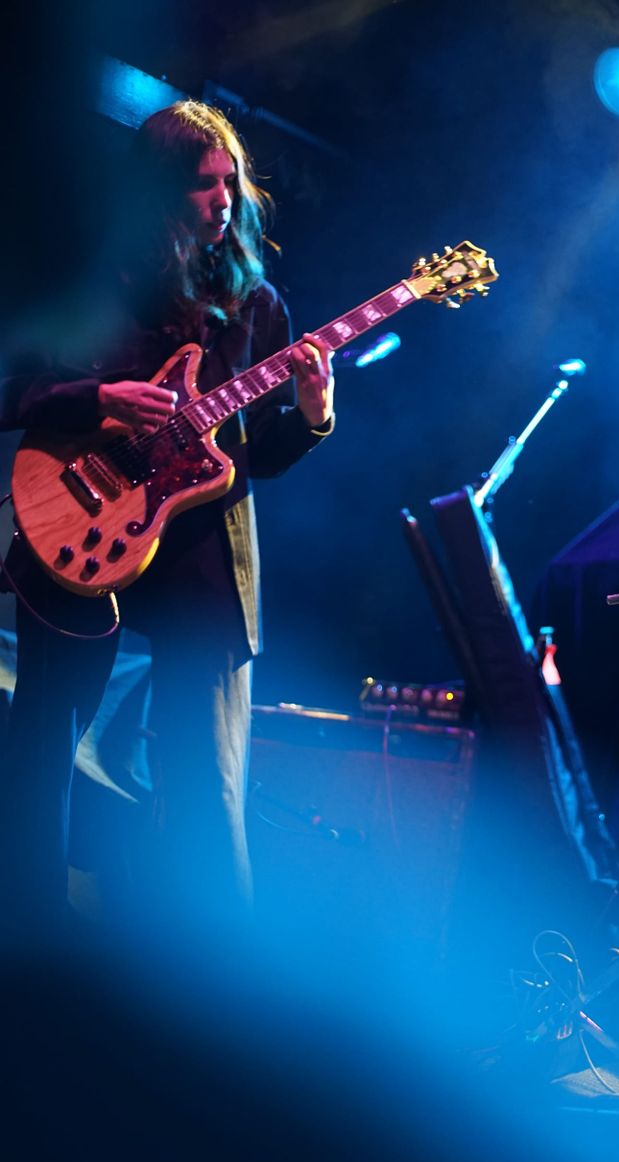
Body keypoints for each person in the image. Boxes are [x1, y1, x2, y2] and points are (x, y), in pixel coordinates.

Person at [0, 99, 335, 941]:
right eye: (200, 184)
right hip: (80, 534)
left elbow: (260, 457)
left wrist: (311, 413)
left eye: (232, 182)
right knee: (39, 754)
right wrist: (100, 396)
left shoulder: (256, 306)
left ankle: (212, 981)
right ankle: (28, 940)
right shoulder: (91, 288)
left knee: (207, 779)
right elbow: (15, 393)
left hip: (201, 557)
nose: (224, 200)